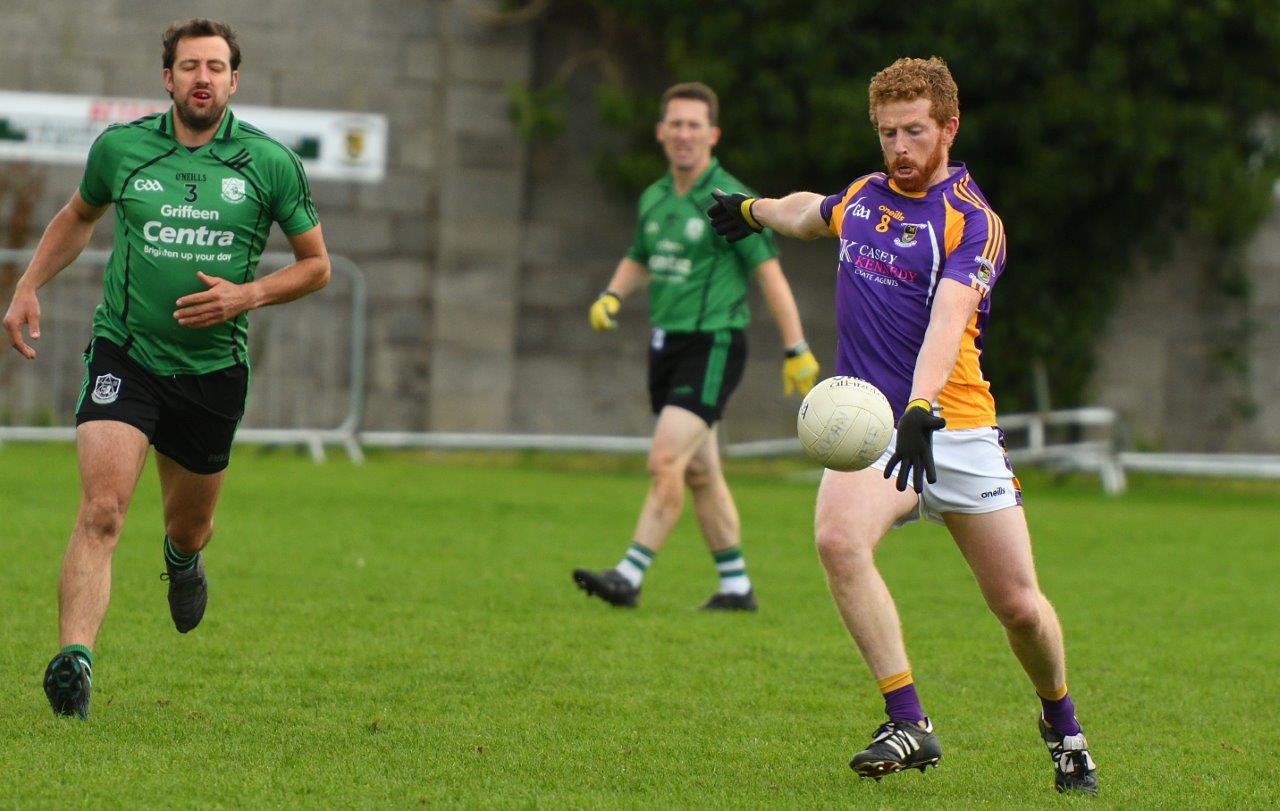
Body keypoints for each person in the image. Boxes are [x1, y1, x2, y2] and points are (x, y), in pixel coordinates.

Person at [707, 57, 1097, 794]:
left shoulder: (974, 222)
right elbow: (806, 211)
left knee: (1018, 606)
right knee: (836, 538)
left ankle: (1062, 721)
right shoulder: (865, 196)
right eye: (888, 133)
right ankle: (907, 716)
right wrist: (752, 209)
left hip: (958, 427)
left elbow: (948, 324)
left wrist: (922, 409)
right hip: (878, 427)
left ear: (949, 127)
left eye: (914, 131)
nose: (900, 148)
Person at [2, 18, 330, 720]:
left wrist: (249, 294)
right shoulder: (123, 149)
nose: (202, 77)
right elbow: (76, 216)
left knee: (190, 525)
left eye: (215, 66)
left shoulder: (267, 164)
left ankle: (182, 561)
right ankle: (74, 663)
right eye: (190, 66)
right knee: (101, 508)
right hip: (127, 353)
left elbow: (317, 265)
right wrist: (28, 284)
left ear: (234, 81)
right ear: (168, 78)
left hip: (212, 372)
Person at [572, 82, 819, 612]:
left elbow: (770, 276)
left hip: (714, 344)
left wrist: (796, 346)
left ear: (713, 134)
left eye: (694, 125)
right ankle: (736, 587)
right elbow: (640, 255)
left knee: (664, 460)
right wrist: (613, 294)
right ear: (661, 132)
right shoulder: (654, 197)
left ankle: (628, 574)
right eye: (676, 124)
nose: (684, 134)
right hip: (666, 345)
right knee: (701, 471)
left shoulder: (730, 200)